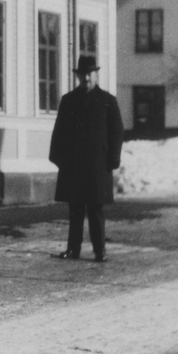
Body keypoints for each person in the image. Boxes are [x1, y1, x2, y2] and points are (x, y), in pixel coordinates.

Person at [49, 54, 124, 263]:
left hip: (97, 166)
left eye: (90, 74)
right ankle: (73, 249)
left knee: (95, 208)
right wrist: (59, 159)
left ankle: (100, 251)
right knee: (75, 209)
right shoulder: (68, 100)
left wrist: (112, 160)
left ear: (96, 75)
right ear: (78, 76)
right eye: (83, 75)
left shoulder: (107, 101)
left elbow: (117, 131)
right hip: (73, 166)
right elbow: (59, 132)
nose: (86, 78)